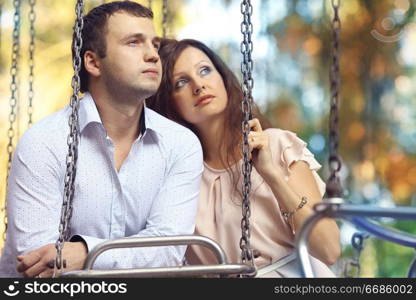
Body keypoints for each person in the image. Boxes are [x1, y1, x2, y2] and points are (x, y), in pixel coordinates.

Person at [0, 2, 203, 278]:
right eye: (134, 42)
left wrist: (86, 253)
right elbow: (38, 264)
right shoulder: (43, 143)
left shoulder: (181, 145)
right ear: (93, 62)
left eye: (153, 44)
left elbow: (168, 250)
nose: (153, 55)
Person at [148, 38, 341, 277]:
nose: (198, 85)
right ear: (169, 102)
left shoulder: (277, 144)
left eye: (205, 70)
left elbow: (330, 250)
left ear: (223, 79)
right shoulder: (180, 175)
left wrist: (272, 175)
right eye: (181, 82)